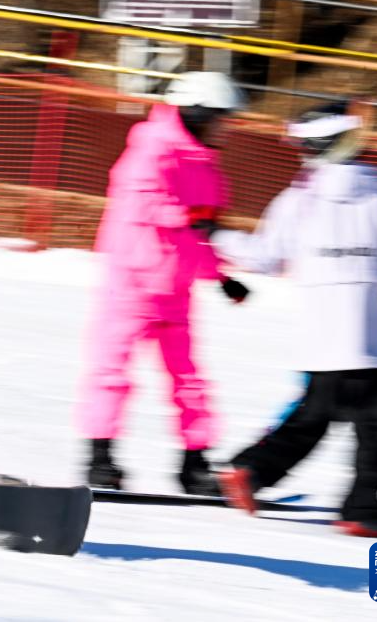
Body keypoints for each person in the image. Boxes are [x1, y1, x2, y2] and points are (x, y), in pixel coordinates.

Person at [208, 101, 377, 537]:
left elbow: (265, 256)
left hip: (321, 331)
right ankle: (361, 509)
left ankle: (253, 470)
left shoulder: (298, 200)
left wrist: (215, 234)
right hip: (364, 333)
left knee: (319, 416)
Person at [78, 71, 251, 494]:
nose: (224, 128)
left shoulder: (208, 166)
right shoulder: (150, 148)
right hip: (132, 283)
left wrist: (220, 276)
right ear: (195, 113)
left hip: (176, 289)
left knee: (189, 379)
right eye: (219, 119)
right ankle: (100, 459)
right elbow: (145, 201)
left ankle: (194, 464)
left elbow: (201, 231)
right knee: (112, 372)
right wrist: (192, 218)